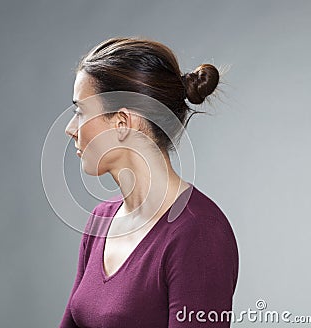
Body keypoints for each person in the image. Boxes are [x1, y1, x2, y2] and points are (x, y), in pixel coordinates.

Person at [61, 36, 239, 327]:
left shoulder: (199, 234)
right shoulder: (100, 221)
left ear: (121, 122)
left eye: (80, 111)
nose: (71, 129)